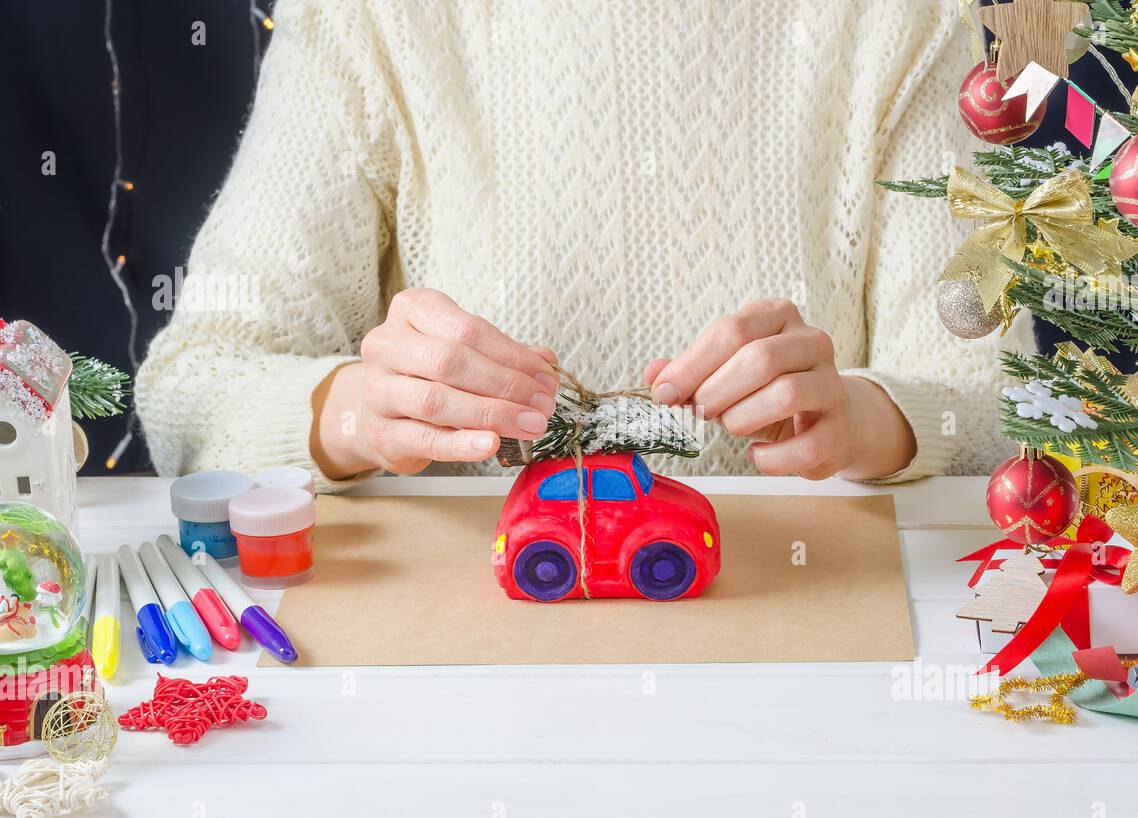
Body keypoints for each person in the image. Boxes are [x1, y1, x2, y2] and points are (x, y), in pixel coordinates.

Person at [136, 0, 1032, 492]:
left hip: (809, 660)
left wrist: (870, 418)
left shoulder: (903, 21)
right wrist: (355, 411)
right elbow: (192, 390)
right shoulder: (370, 18)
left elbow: (1015, 411)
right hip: (455, 675)